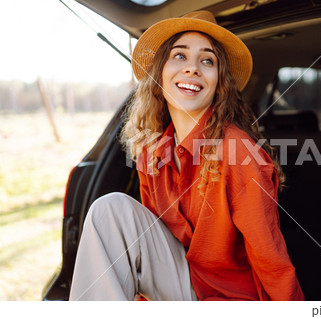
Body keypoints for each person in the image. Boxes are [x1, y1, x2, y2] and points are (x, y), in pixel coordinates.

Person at [69, 10, 304, 301]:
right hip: (182, 284)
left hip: (230, 299)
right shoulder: (151, 151)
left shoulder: (238, 151)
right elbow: (151, 245)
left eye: (207, 60)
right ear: (160, 74)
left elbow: (270, 257)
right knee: (110, 209)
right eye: (179, 56)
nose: (192, 68)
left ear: (220, 83)